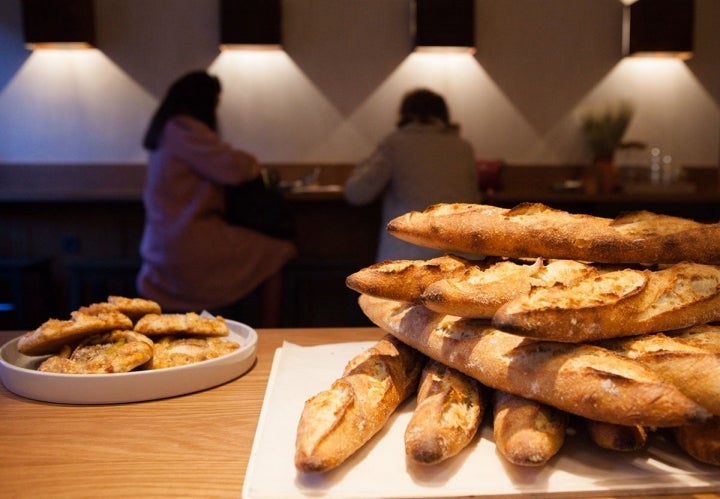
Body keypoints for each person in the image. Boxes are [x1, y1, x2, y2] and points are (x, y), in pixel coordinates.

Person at [137, 70, 297, 326]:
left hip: (162, 241)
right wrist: (254, 165)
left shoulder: (167, 130)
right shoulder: (184, 129)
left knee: (262, 247)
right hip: (186, 242)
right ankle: (269, 330)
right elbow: (234, 168)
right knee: (279, 250)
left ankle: (244, 322)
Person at [344, 88, 482, 261]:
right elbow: (474, 199)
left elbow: (356, 193)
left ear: (406, 114)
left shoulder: (395, 144)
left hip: (409, 255)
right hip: (462, 254)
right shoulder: (463, 147)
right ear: (443, 115)